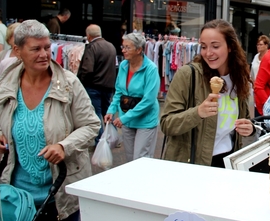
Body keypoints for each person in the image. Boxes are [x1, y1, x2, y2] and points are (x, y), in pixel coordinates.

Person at [0, 19, 100, 221]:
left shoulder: (68, 84)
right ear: (17, 51)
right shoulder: (5, 83)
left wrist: (64, 146)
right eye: (36, 49)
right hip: (17, 198)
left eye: (47, 47)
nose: (44, 54)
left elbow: (91, 125)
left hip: (58, 198)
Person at [160, 19, 255, 168]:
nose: (208, 53)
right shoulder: (188, 75)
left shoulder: (239, 78)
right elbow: (167, 124)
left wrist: (249, 128)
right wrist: (198, 112)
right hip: (192, 164)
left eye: (215, 46)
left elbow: (244, 119)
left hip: (228, 161)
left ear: (230, 47)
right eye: (203, 47)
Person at [105, 32, 160, 162]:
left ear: (139, 49)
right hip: (127, 119)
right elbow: (119, 91)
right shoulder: (124, 65)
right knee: (130, 160)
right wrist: (111, 110)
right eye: (123, 47)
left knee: (141, 159)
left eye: (127, 47)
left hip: (145, 120)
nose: (123, 50)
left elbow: (149, 101)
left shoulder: (151, 69)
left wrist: (124, 118)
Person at [77, 24, 117, 145]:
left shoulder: (92, 47)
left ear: (88, 36)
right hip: (108, 85)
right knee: (107, 111)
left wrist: (81, 82)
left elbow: (87, 69)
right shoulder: (111, 46)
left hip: (94, 85)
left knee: (96, 114)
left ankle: (100, 139)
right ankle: (113, 137)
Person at [0, 22, 20, 98]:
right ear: (9, 39)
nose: (18, 39)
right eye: (15, 36)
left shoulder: (25, 56)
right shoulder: (2, 55)